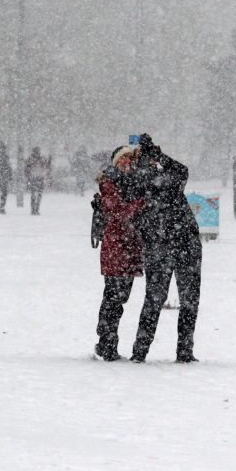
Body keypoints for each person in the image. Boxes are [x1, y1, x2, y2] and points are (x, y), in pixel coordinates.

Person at [130, 133, 202, 363]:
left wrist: (158, 156)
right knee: (156, 300)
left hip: (178, 245)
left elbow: (182, 171)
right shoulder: (142, 182)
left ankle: (181, 350)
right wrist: (153, 158)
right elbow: (180, 173)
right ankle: (143, 350)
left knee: (185, 301)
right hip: (164, 246)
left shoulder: (163, 180)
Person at [93, 146, 145, 361]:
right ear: (115, 161)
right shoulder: (109, 183)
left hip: (130, 249)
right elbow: (119, 213)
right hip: (116, 248)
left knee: (119, 298)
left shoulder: (134, 183)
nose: (127, 162)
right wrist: (143, 203)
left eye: (130, 158)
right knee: (113, 297)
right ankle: (106, 342)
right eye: (123, 158)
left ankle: (106, 341)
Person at [23, 146, 51, 215]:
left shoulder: (31, 159)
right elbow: (47, 166)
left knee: (33, 194)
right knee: (38, 195)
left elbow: (26, 169)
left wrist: (28, 176)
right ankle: (36, 209)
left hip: (33, 178)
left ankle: (33, 209)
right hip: (39, 178)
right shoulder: (41, 159)